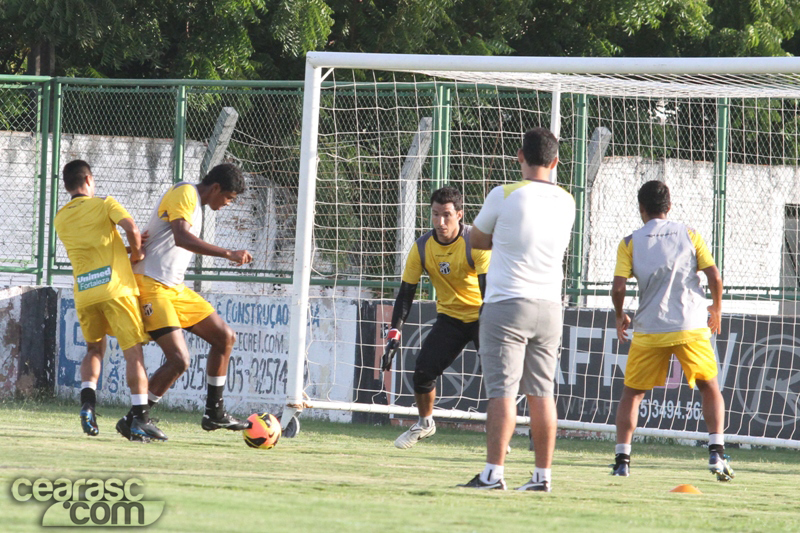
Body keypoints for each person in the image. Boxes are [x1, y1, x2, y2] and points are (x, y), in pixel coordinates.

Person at [459, 127, 575, 491]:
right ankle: (543, 476)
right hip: (550, 307)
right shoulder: (567, 201)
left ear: (519, 156)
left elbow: (476, 239)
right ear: (555, 162)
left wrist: (493, 236)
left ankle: (493, 473)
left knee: (503, 392)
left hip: (507, 304)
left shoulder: (503, 194)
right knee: (542, 394)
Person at [116, 163, 253, 438]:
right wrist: (228, 253)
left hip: (174, 289)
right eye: (229, 197)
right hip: (152, 285)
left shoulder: (197, 204)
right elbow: (181, 237)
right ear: (215, 188)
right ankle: (136, 419)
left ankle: (214, 413)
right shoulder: (186, 192)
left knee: (224, 337)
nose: (228, 204)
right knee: (179, 359)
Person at [611, 180, 733, 481]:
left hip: (650, 328)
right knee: (709, 387)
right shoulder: (689, 233)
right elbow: (714, 276)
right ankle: (716, 453)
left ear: (642, 209)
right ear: (669, 207)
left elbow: (618, 287)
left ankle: (622, 460)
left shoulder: (630, 242)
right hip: (690, 324)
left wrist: (619, 315)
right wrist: (716, 308)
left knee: (632, 394)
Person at [54, 160, 167, 442]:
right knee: (133, 353)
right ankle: (140, 419)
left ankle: (87, 403)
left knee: (94, 349)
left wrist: (127, 247)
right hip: (116, 290)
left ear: (67, 186)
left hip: (85, 292)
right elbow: (130, 226)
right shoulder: (104, 204)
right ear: (89, 179)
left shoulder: (61, 217)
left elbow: (95, 247)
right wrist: (136, 253)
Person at [382, 186, 490, 449]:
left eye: (447, 215)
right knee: (422, 372)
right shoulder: (421, 248)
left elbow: (490, 291)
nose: (441, 222)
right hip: (450, 319)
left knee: (497, 376)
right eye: (435, 215)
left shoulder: (476, 243)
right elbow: (406, 294)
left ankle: (501, 434)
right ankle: (425, 423)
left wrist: (492, 330)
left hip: (482, 315)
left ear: (460, 215)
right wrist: (393, 335)